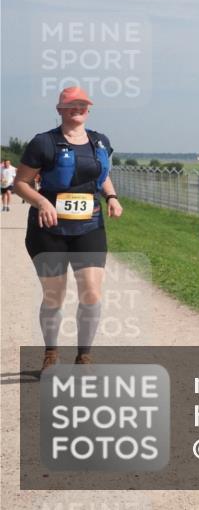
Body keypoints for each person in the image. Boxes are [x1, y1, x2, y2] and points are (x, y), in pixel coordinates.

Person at [12, 87, 123, 370]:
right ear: (60, 109)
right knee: (55, 295)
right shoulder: (44, 142)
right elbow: (20, 183)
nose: (78, 108)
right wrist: (41, 202)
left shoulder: (100, 141)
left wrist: (111, 197)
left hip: (90, 226)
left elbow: (103, 175)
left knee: (92, 293)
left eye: (83, 104)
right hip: (49, 230)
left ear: (89, 109)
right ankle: (51, 352)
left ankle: (84, 356)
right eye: (71, 105)